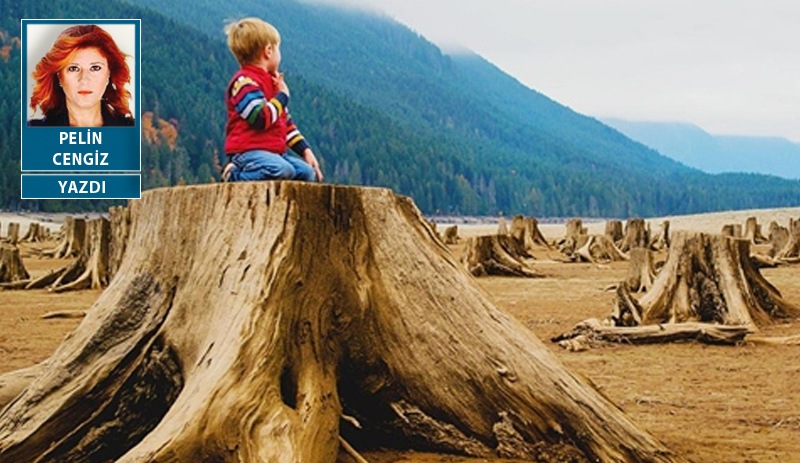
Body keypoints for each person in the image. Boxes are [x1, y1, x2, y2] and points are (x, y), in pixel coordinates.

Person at [222, 18, 323, 183]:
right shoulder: (244, 82)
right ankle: (235, 175)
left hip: (275, 153)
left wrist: (305, 151)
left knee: (307, 173)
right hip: (247, 152)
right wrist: (282, 96)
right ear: (268, 51)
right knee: (282, 170)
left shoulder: (272, 84)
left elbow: (286, 124)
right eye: (278, 49)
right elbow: (260, 118)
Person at [28, 25, 135, 127]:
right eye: (73, 68)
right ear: (59, 77)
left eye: (95, 68)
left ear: (109, 74)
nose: (84, 79)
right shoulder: (33, 132)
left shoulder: (131, 130)